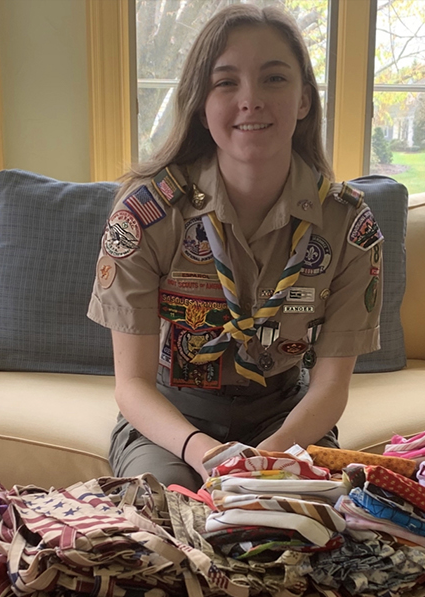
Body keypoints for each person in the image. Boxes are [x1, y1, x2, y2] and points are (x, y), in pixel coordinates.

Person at [87, 3, 384, 490]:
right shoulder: (147, 215)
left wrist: (260, 464)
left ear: (305, 100)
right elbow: (133, 385)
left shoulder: (349, 225)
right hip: (173, 423)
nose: (251, 100)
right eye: (226, 82)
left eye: (274, 79)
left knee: (288, 523)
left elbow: (330, 389)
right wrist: (205, 455)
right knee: (162, 515)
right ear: (201, 105)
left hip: (287, 422)